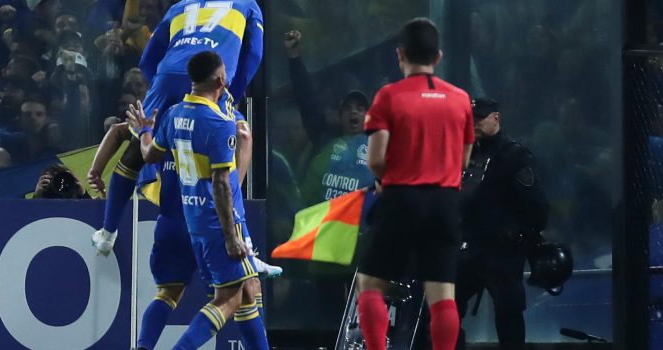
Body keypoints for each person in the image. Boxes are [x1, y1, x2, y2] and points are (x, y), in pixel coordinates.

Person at [91, 0, 264, 256]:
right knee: (241, 135)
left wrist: (160, 86)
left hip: (167, 78)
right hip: (207, 82)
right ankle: (239, 229)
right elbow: (254, 55)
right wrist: (232, 92)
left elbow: (149, 58)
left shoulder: (180, 6)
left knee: (138, 141)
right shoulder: (247, 5)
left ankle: (107, 233)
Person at [128, 51, 269, 350]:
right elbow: (221, 183)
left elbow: (150, 154)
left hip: (194, 223)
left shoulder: (174, 113)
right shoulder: (219, 123)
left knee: (247, 290)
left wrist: (144, 130)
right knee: (229, 299)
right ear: (220, 79)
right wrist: (232, 236)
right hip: (220, 222)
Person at [356, 18, 474, 350]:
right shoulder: (461, 99)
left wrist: (387, 179)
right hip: (446, 203)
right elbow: (464, 161)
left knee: (370, 283)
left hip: (401, 198)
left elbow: (376, 159)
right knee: (442, 294)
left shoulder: (388, 97)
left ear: (400, 55)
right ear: (438, 57)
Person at [456, 98, 548, 350]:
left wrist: (524, 235)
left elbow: (538, 206)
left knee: (508, 316)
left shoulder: (514, 155)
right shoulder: (465, 153)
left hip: (503, 251)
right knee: (446, 307)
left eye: (479, 117)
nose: (473, 122)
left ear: (495, 118)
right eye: (470, 117)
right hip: (470, 246)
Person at [284, 29, 374, 205]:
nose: (354, 112)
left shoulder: (378, 147)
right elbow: (306, 99)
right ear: (340, 117)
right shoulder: (324, 136)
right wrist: (294, 57)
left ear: (367, 116)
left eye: (360, 108)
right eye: (348, 108)